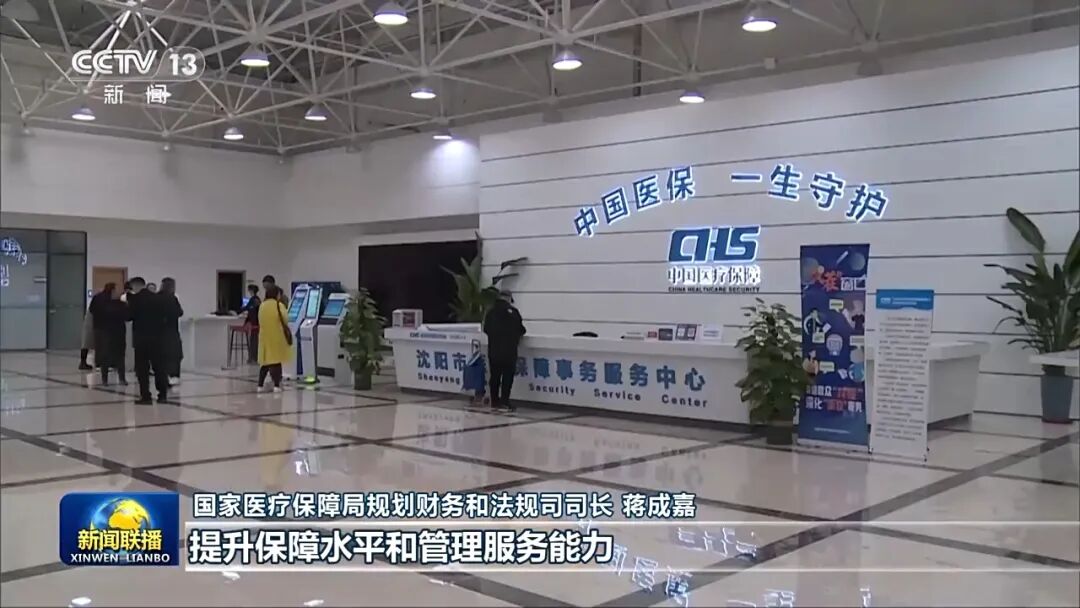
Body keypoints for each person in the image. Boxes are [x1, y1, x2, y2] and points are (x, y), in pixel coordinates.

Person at [127, 276, 169, 404]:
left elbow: (129, 316)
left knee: (142, 369)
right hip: (158, 338)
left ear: (135, 286)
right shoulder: (158, 298)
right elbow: (165, 316)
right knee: (159, 367)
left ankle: (146, 396)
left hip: (141, 339)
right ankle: (162, 395)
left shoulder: (135, 299)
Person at [483, 292, 526, 412]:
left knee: (495, 376)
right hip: (509, 351)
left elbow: (486, 329)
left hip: (494, 351)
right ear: (508, 299)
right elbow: (521, 330)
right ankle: (505, 402)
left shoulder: (490, 312)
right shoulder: (514, 313)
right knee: (507, 377)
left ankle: (494, 401)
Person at [89, 283, 127, 385]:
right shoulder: (119, 303)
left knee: (105, 355)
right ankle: (121, 378)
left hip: (102, 330)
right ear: (113, 290)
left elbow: (91, 310)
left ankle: (105, 379)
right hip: (116, 331)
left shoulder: (98, 298)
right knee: (119, 356)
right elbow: (126, 315)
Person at [256, 285, 291, 393]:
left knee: (265, 363)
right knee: (276, 362)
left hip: (264, 337)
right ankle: (276, 385)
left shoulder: (262, 305)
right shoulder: (279, 305)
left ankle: (260, 385)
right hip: (276, 337)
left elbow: (259, 319)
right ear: (277, 294)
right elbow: (286, 319)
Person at [159, 277, 184, 385]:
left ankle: (163, 376)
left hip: (159, 331)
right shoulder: (172, 298)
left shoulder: (157, 297)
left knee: (162, 355)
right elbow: (180, 312)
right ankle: (173, 376)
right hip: (172, 330)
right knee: (174, 355)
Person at [241, 284, 262, 364]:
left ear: (251, 291)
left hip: (255, 324)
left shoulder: (254, 299)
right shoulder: (256, 299)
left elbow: (247, 308)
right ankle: (253, 358)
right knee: (254, 340)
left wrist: (237, 311)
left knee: (254, 341)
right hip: (255, 323)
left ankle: (253, 358)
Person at [79, 296, 94, 370]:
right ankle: (83, 362)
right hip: (91, 323)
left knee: (86, 343)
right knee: (86, 343)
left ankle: (83, 362)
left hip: (90, 323)